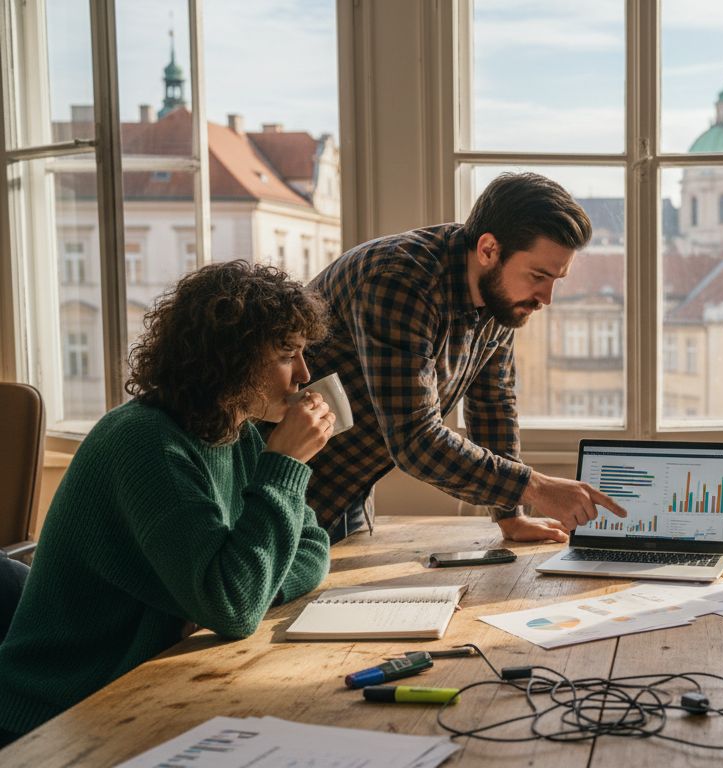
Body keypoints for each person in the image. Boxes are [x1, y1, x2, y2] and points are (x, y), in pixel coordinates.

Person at [0, 261, 335, 744]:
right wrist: (284, 464)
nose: (305, 374)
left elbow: (313, 548)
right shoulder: (148, 443)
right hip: (61, 711)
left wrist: (249, 587)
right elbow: (234, 606)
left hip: (142, 686)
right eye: (287, 355)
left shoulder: (239, 434)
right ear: (231, 358)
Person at [303, 172, 626, 544]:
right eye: (538, 276)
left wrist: (511, 515)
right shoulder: (400, 280)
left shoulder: (501, 296)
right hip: (284, 481)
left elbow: (493, 405)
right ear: (488, 250)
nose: (546, 298)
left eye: (557, 279)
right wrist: (535, 487)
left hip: (350, 487)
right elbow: (415, 440)